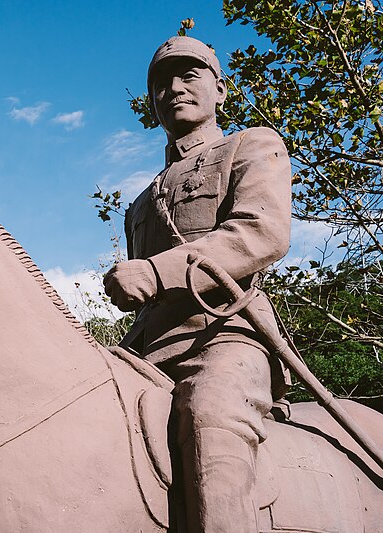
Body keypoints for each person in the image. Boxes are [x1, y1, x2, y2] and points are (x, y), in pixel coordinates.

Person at [103, 36, 292, 533]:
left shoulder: (252, 146)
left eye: (189, 76)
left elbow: (260, 233)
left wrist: (155, 272)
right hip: (146, 351)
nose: (174, 88)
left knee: (210, 420)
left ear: (220, 89)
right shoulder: (141, 202)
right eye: (161, 83)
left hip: (223, 337)